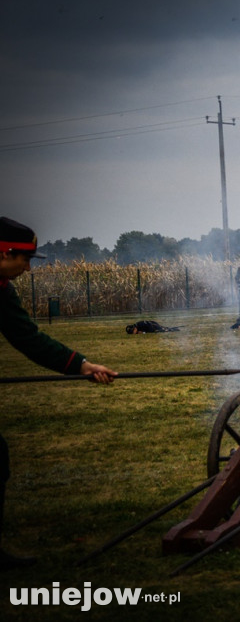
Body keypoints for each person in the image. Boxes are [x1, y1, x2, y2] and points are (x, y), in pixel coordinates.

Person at [0, 217, 117, 569]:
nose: (26, 267)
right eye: (24, 259)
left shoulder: (2, 288)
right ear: (5, 252)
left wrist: (81, 365)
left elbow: (27, 337)